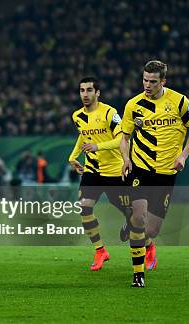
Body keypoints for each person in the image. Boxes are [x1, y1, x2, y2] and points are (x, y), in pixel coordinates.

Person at [120, 60, 189, 287]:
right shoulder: (133, 105)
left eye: (153, 81)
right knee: (139, 218)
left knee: (151, 230)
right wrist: (126, 158)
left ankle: (144, 239)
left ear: (163, 81)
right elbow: (124, 137)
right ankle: (138, 275)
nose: (147, 85)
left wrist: (184, 155)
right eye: (145, 80)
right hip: (140, 169)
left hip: (166, 173)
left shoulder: (180, 102)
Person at [67, 77, 130, 272]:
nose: (85, 94)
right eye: (82, 90)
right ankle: (100, 250)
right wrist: (73, 156)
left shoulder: (110, 113)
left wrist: (97, 146)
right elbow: (83, 136)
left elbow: (121, 139)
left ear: (98, 93)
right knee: (84, 207)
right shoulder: (77, 116)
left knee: (132, 214)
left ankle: (148, 244)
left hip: (114, 171)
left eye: (89, 90)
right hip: (92, 170)